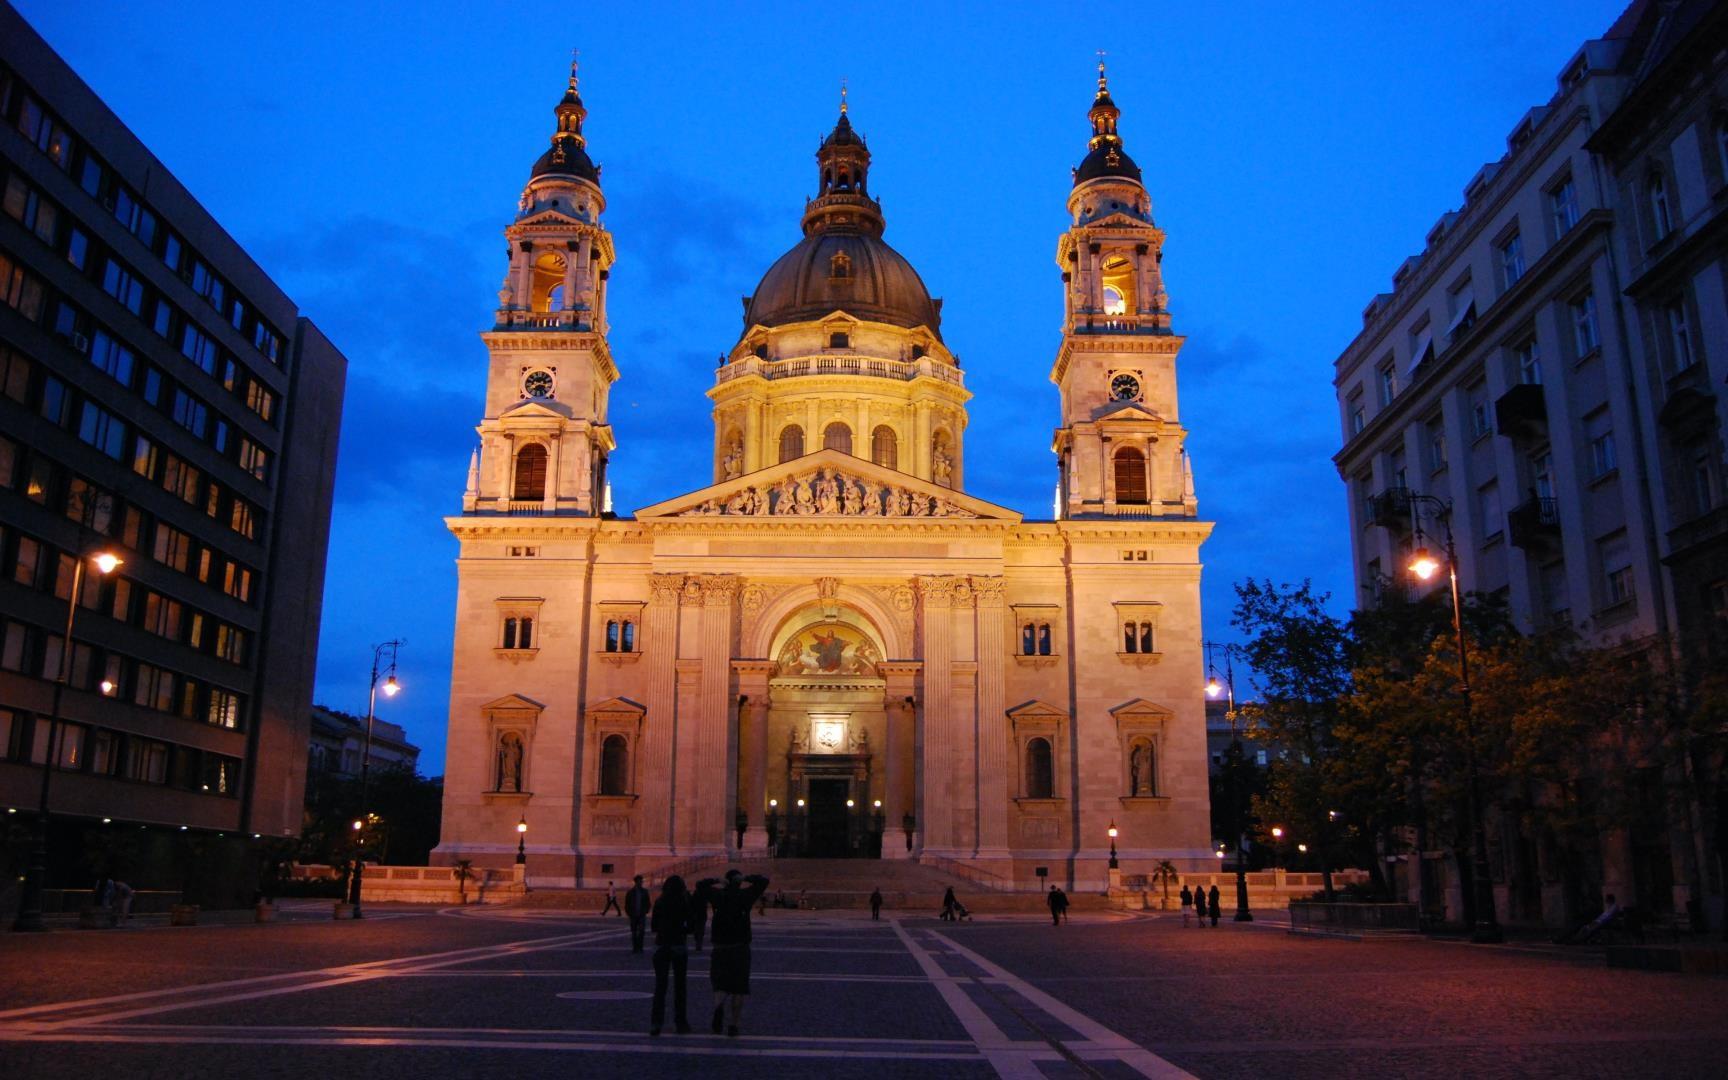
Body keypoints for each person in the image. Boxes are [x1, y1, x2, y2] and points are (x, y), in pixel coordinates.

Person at [696, 869, 770, 1037]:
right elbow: (764, 881)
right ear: (738, 882)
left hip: (720, 947)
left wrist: (716, 879)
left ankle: (718, 1006)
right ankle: (734, 1024)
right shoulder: (745, 896)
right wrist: (746, 877)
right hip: (740, 947)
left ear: (726, 881)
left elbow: (699, 885)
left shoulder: (717, 895)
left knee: (720, 984)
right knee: (739, 987)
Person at [648, 875, 693, 1036]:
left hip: (661, 946)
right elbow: (691, 926)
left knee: (660, 987)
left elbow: (653, 926)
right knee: (680, 987)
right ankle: (680, 1023)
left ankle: (655, 1023)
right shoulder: (683, 902)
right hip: (679, 946)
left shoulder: (660, 902)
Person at [624, 875, 652, 953]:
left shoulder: (644, 892)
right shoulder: (630, 892)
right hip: (633, 914)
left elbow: (648, 902)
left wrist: (646, 910)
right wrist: (629, 913)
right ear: (636, 882)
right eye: (640, 881)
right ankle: (635, 948)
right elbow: (627, 904)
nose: (641, 883)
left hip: (641, 914)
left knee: (641, 932)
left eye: (641, 881)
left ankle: (640, 947)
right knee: (634, 932)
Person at [690, 882, 710, 952]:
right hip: (701, 915)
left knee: (698, 931)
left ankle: (698, 945)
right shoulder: (702, 895)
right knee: (700, 931)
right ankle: (699, 944)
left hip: (698, 915)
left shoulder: (696, 894)